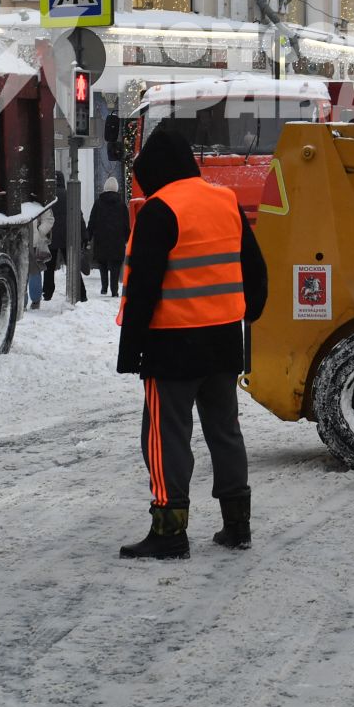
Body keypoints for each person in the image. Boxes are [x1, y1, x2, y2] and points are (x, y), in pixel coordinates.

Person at [116, 129, 268, 559]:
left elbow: (143, 288)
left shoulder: (160, 210)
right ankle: (237, 525)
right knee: (225, 432)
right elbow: (254, 269)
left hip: (172, 347)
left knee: (166, 436)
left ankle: (169, 531)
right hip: (223, 341)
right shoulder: (226, 202)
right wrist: (250, 313)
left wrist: (131, 353)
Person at [88, 177, 130, 297]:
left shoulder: (98, 203)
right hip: (117, 241)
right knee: (115, 265)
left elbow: (92, 221)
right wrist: (128, 238)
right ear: (116, 189)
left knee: (103, 264)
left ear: (105, 188)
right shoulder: (122, 205)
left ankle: (104, 287)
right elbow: (126, 225)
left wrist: (88, 236)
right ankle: (114, 290)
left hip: (101, 239)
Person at [43, 186, 67, 302]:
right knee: (71, 263)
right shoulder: (68, 194)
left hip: (51, 235)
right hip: (66, 236)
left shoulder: (49, 195)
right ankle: (79, 292)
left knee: (49, 266)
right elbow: (78, 214)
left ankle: (47, 293)